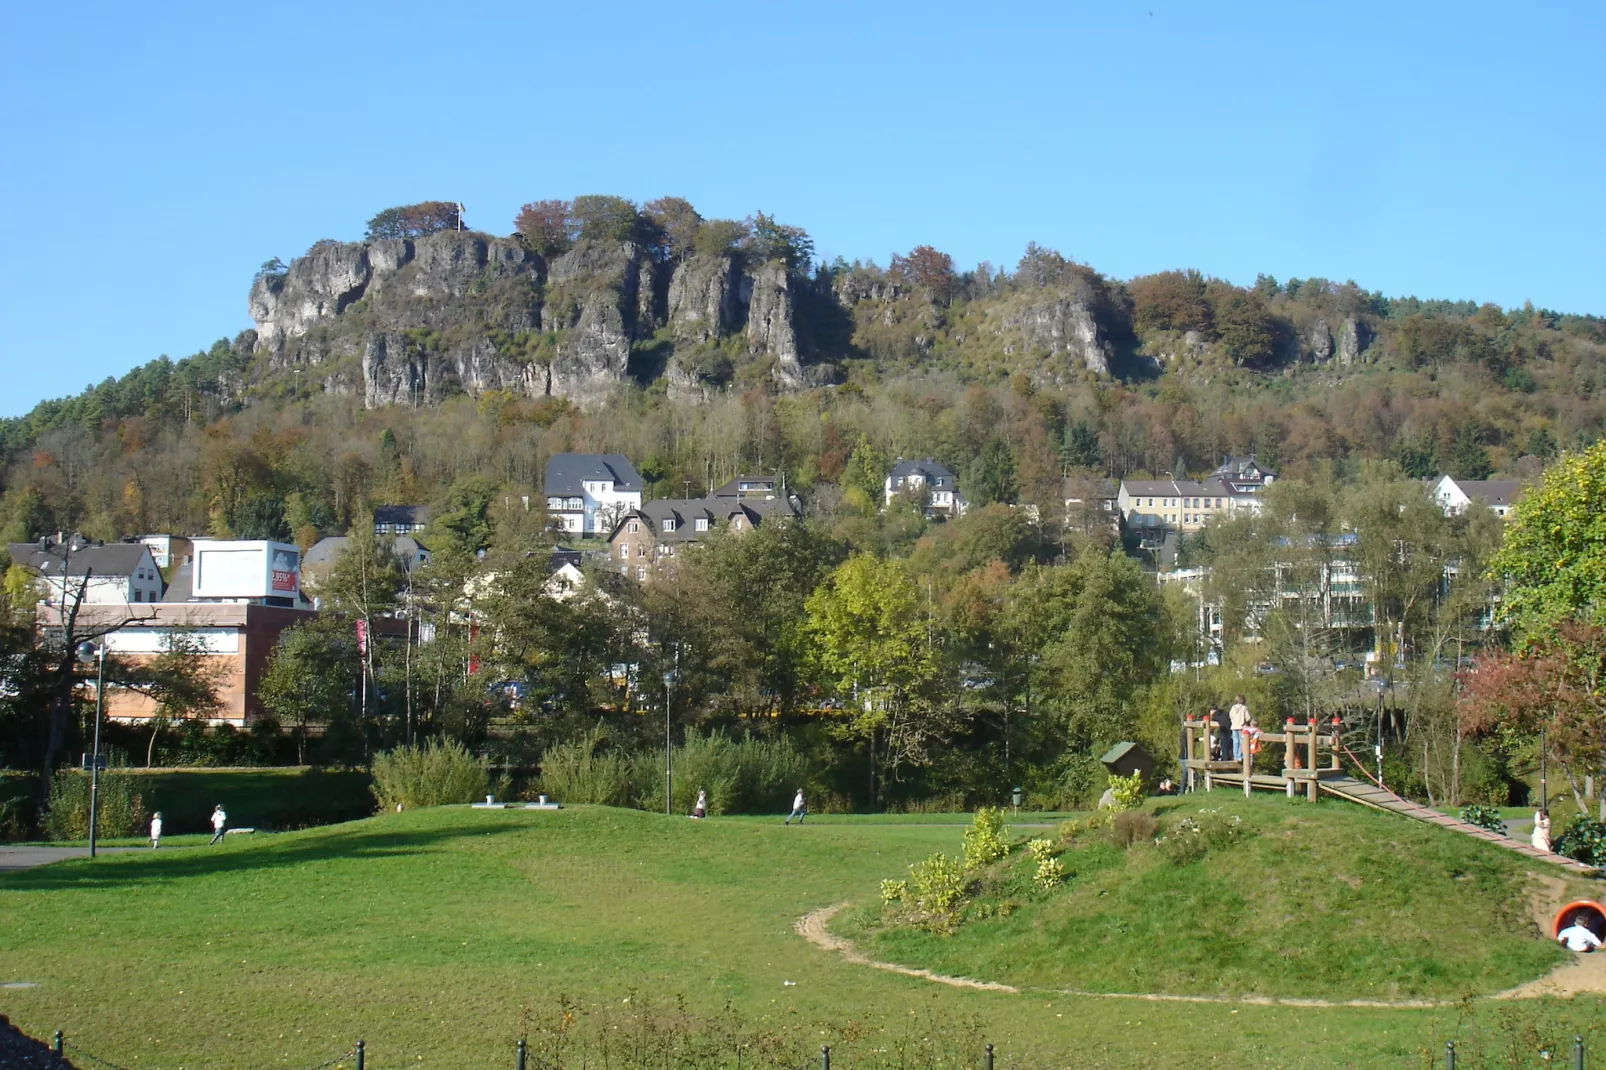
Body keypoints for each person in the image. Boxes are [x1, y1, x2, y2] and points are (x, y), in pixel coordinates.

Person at [1228, 695, 1251, 762]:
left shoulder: (1233, 707)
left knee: (1235, 742)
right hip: (1241, 727)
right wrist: (1245, 721)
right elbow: (1248, 718)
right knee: (1241, 742)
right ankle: (1239, 756)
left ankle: (1235, 756)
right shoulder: (1244, 708)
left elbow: (1230, 716)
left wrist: (1233, 721)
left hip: (1234, 727)